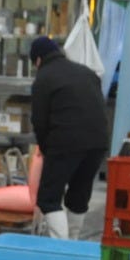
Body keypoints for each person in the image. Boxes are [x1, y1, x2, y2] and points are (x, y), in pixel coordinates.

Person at [28, 35, 109, 239]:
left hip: (66, 140)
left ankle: (61, 246)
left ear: (38, 60)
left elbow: (39, 121)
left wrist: (45, 149)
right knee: (78, 196)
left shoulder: (44, 78)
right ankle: (73, 244)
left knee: (49, 198)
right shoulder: (87, 72)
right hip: (98, 142)